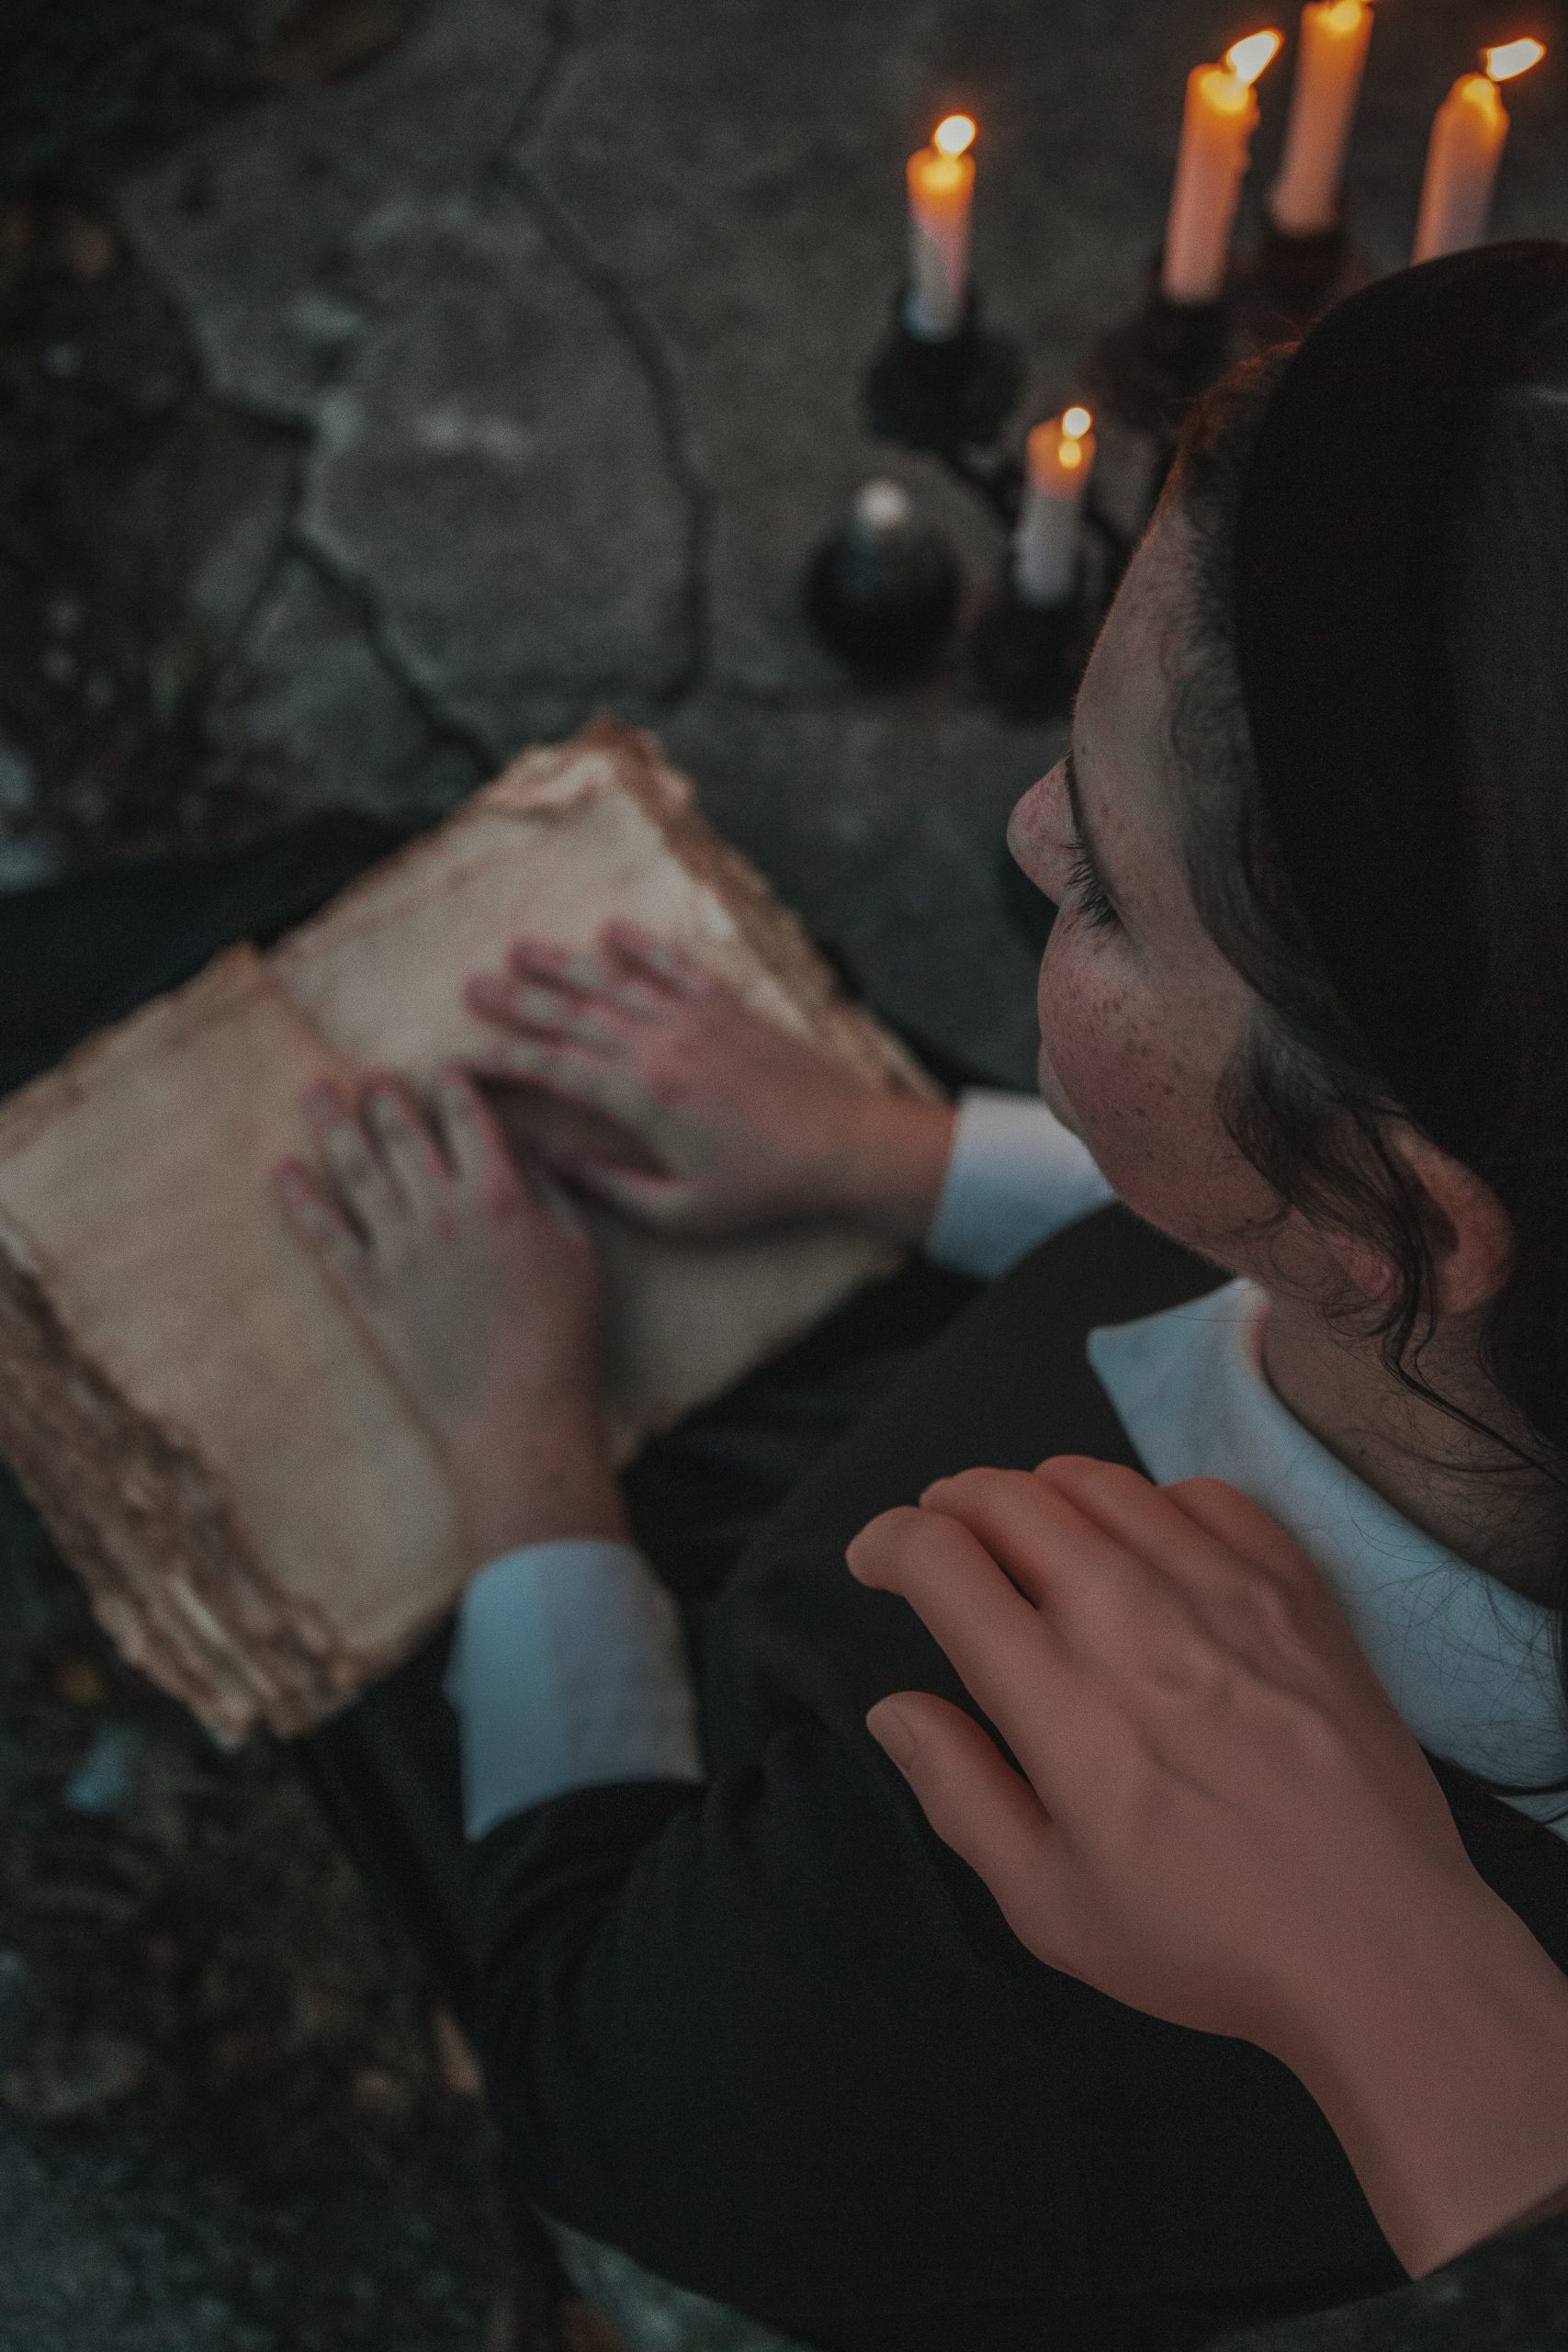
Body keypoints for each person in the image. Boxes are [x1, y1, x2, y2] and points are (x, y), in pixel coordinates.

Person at [272, 243, 1568, 2352]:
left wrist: (515, 1438)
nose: (1027, 828)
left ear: (1384, 1218)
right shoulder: (1455, 1258)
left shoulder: (985, 1871)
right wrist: (891, 1157)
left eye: (1108, 891)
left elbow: (598, 2072)